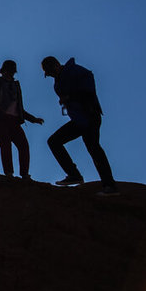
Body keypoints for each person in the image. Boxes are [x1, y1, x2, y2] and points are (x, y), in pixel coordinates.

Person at [41, 56, 118, 195]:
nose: (52, 76)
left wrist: (70, 97)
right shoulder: (58, 82)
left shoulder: (75, 71)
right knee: (54, 142)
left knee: (93, 147)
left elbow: (88, 89)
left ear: (57, 65)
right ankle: (74, 175)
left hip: (90, 116)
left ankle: (109, 186)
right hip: (79, 120)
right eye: (49, 74)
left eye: (51, 72)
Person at [0, 60, 44, 179]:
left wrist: (33, 119)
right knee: (5, 144)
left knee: (23, 145)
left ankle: (24, 174)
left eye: (12, 72)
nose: (10, 74)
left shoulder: (15, 86)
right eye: (8, 71)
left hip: (13, 121)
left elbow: (19, 109)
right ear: (2, 71)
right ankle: (9, 173)